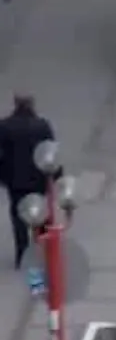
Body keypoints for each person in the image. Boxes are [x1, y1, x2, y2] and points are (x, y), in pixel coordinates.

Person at [0, 95, 55, 266]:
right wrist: (54, 175)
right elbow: (50, 151)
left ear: (15, 104)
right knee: (41, 213)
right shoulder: (42, 125)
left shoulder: (4, 126)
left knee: (18, 216)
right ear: (32, 104)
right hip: (37, 178)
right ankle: (43, 248)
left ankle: (22, 253)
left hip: (14, 180)